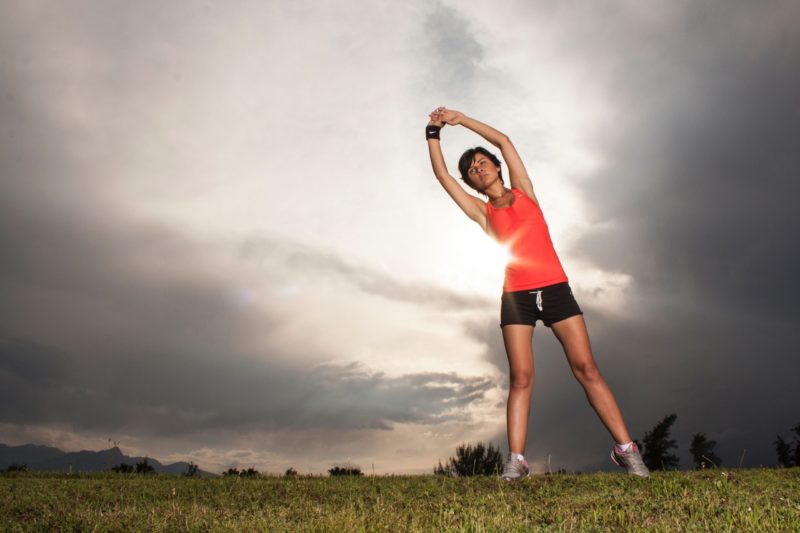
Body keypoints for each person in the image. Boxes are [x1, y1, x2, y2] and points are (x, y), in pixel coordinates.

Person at [425, 106, 649, 480]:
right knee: (521, 378)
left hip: (556, 289)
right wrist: (433, 134)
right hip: (517, 297)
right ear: (472, 183)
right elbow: (442, 176)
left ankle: (627, 451)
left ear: (496, 167)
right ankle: (516, 461)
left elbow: (504, 140)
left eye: (482, 162)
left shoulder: (525, 192)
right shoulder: (482, 213)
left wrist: (461, 120)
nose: (477, 169)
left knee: (587, 368)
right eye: (471, 170)